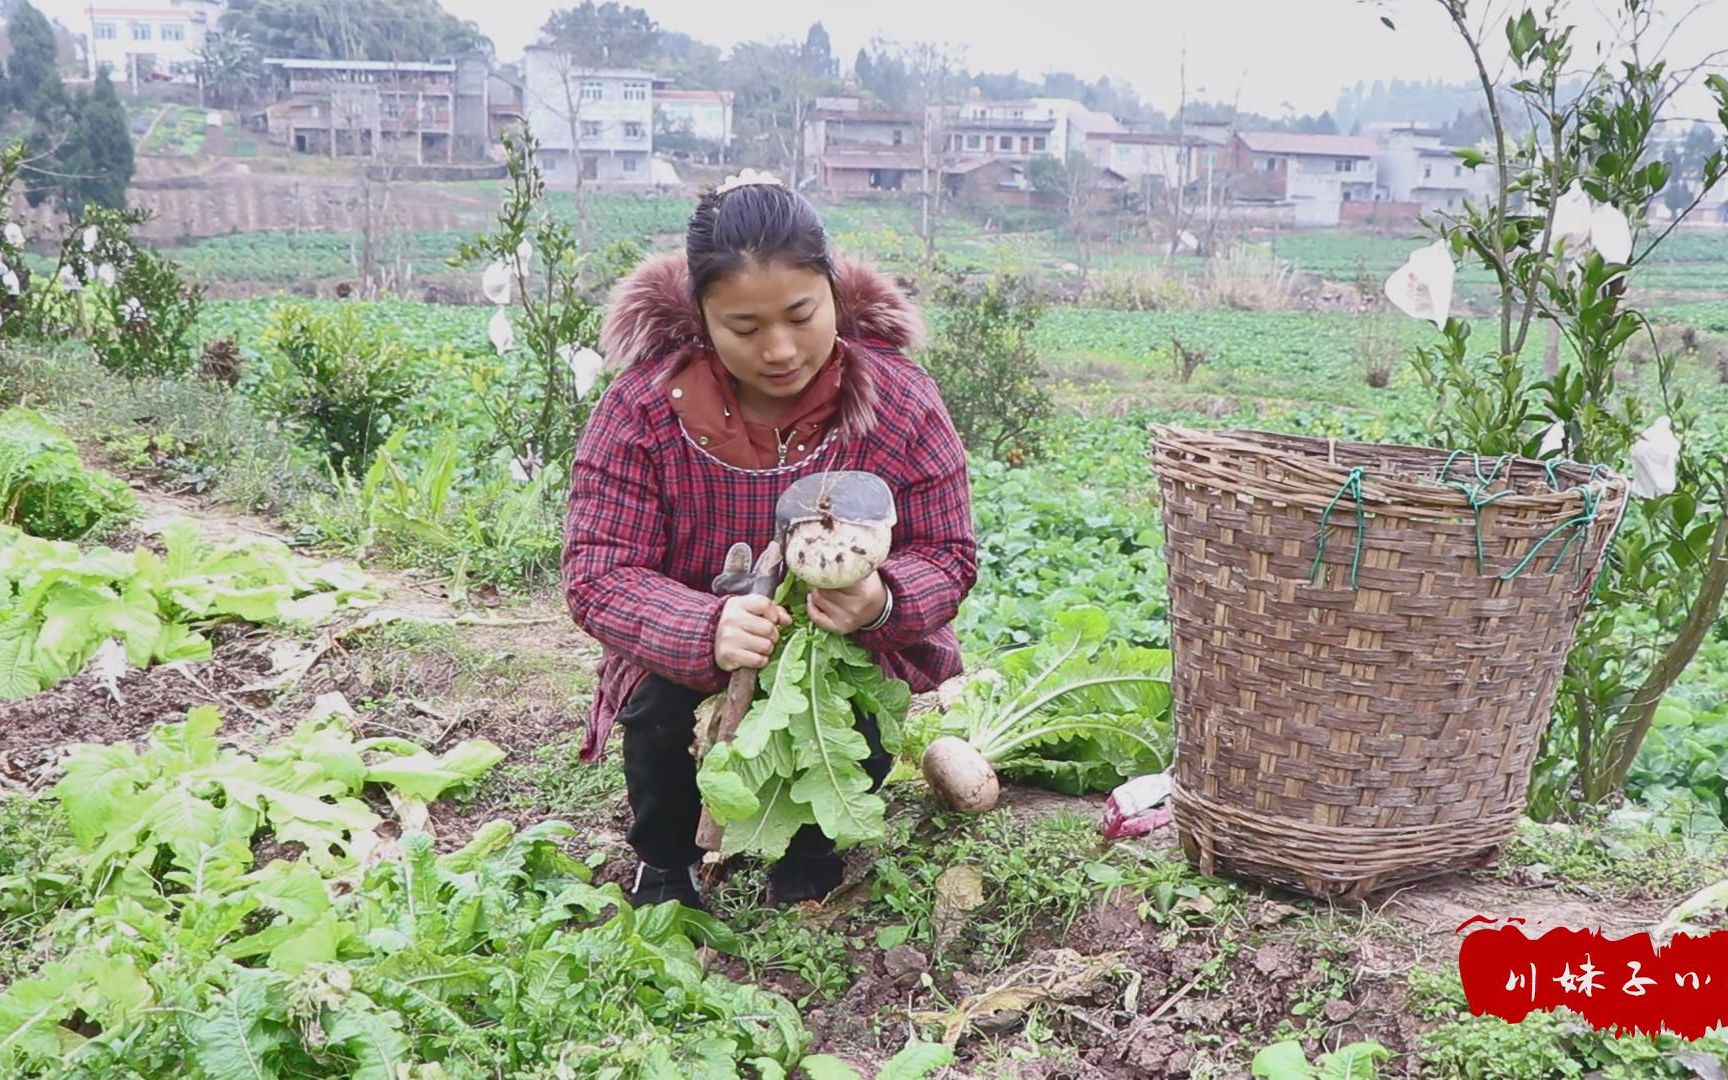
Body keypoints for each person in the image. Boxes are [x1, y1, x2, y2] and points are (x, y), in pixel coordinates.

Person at [562, 172, 977, 910]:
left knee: (853, 713)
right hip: (694, 655)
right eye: (745, 329)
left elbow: (949, 553)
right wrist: (704, 626)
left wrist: (882, 601)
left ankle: (810, 856)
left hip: (841, 646)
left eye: (801, 314)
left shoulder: (902, 400)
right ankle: (666, 861)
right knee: (657, 713)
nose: (781, 350)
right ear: (701, 316)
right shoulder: (641, 411)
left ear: (834, 292)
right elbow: (597, 572)